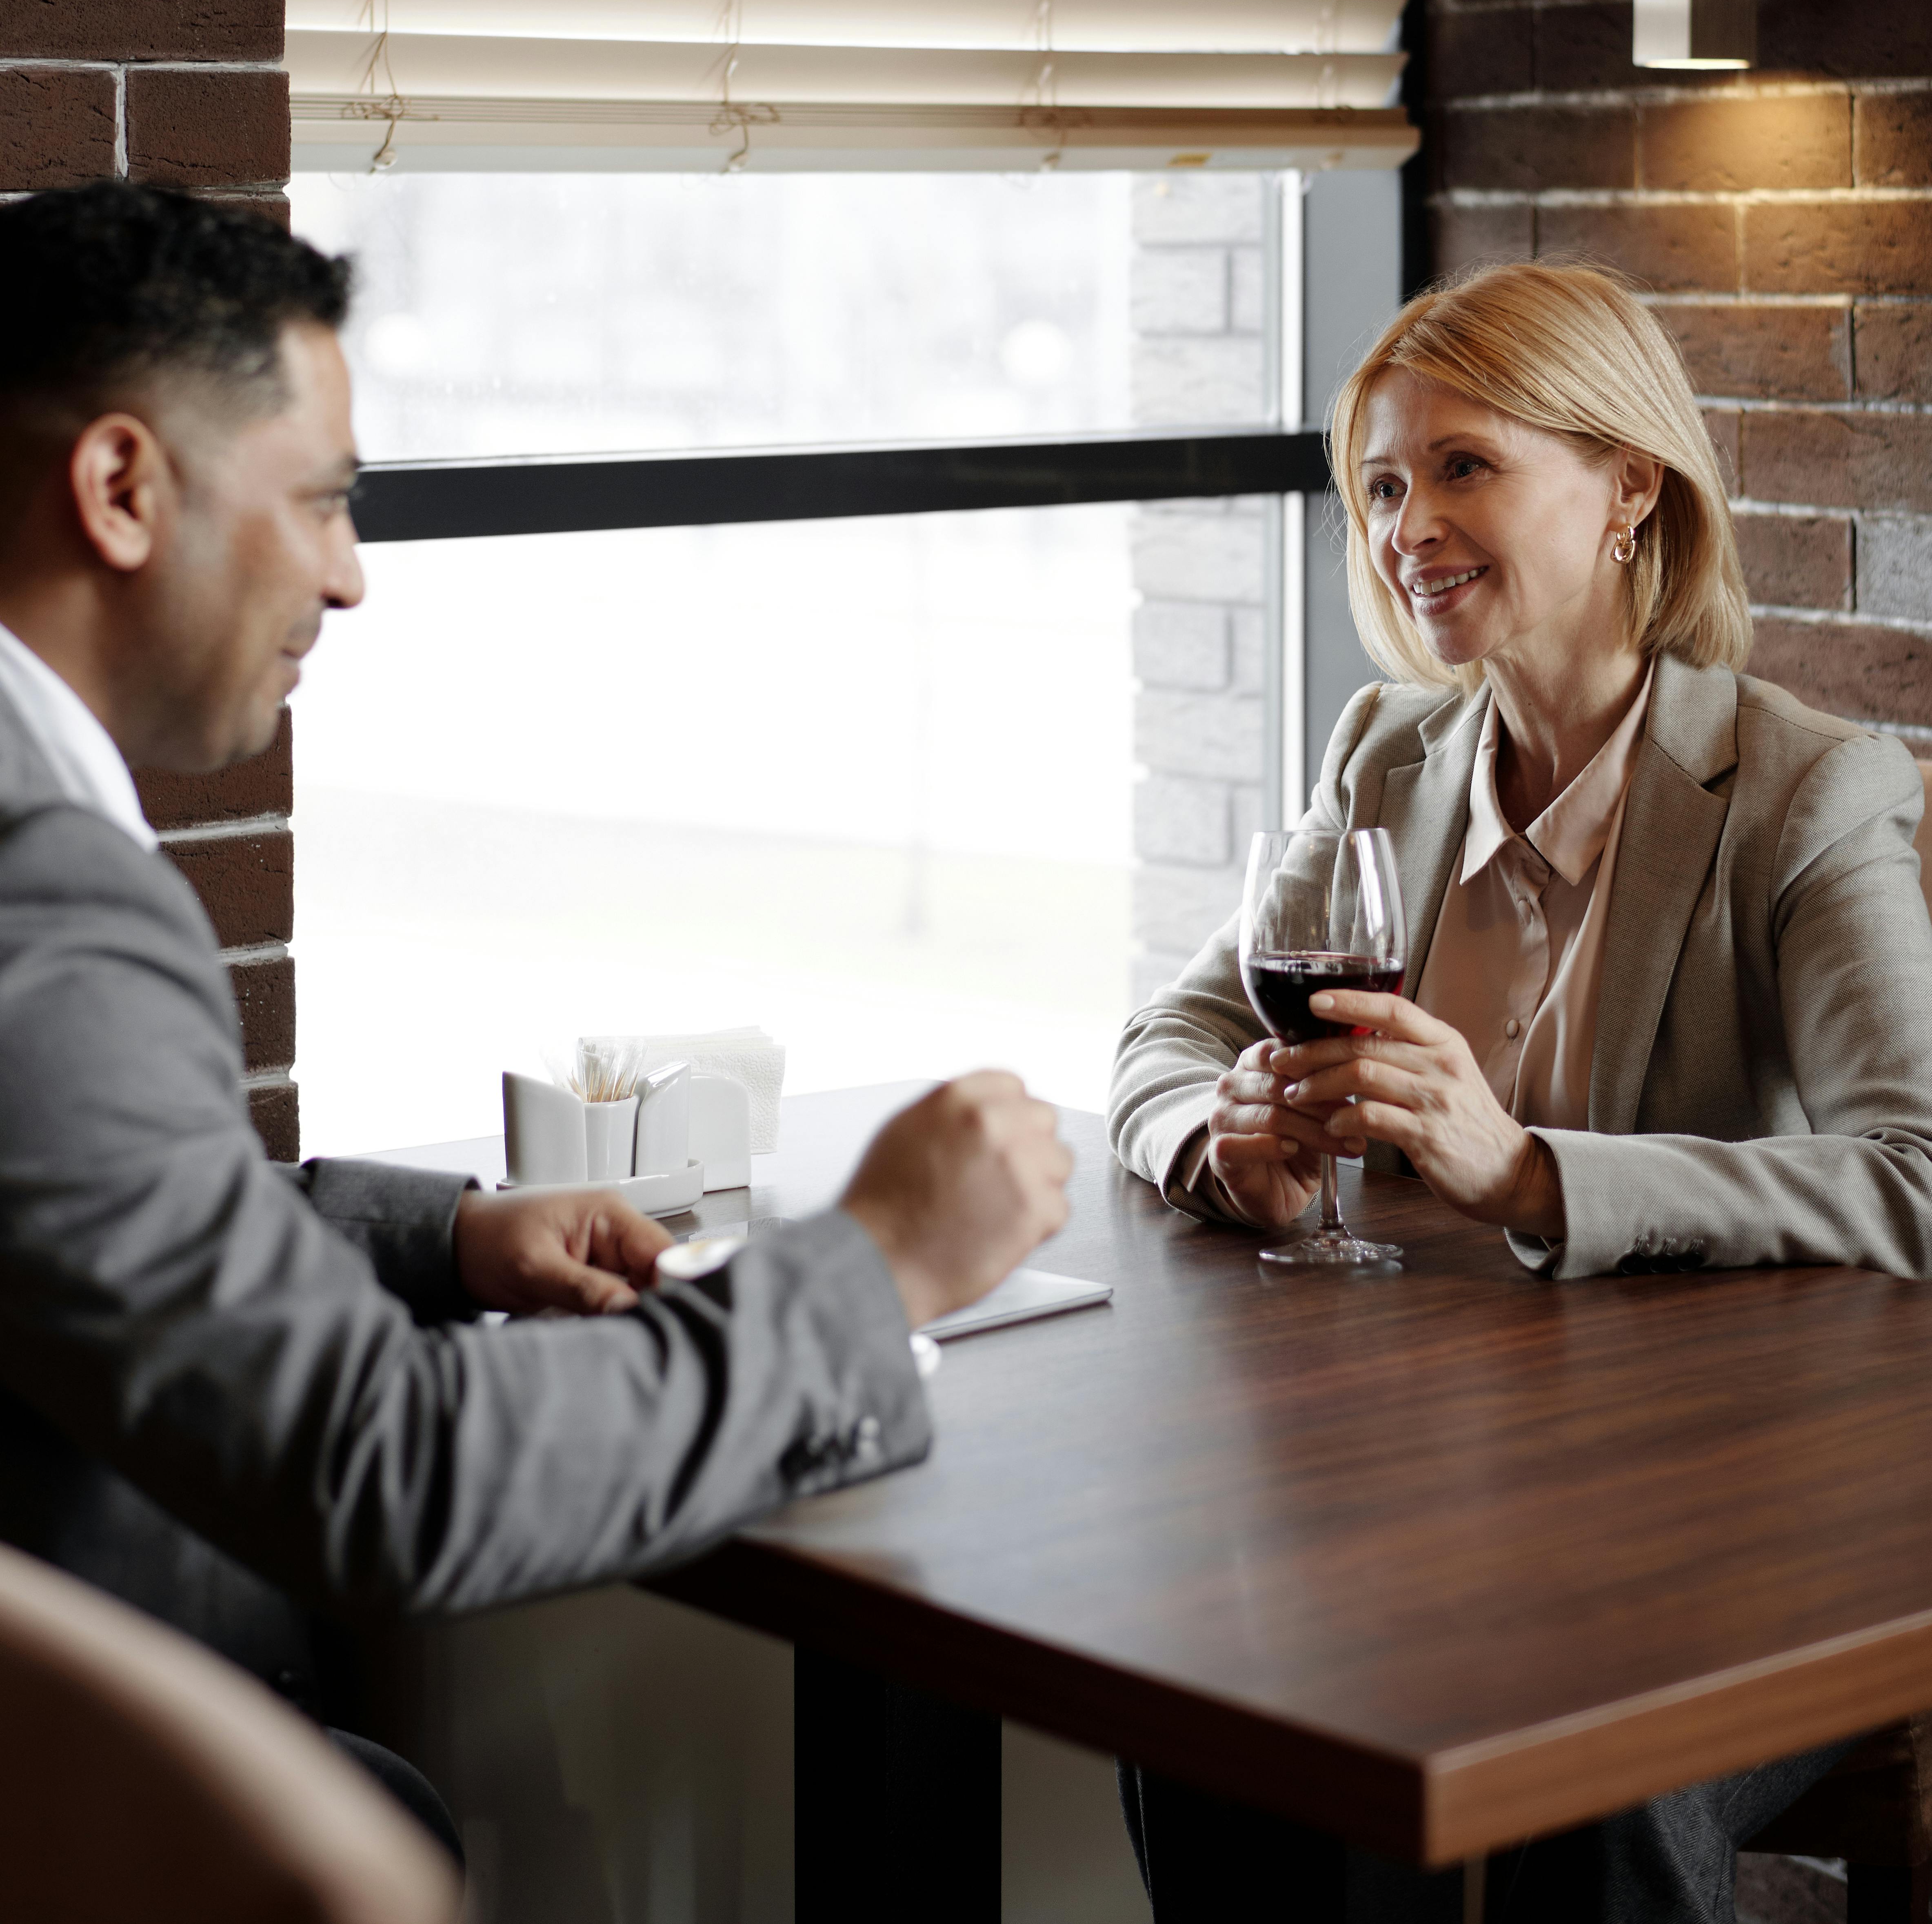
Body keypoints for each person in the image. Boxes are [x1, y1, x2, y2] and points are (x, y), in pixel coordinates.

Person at [0, 180, 1072, 1845]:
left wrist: (445, 1238)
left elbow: (77, 1205)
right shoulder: (41, 888)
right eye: (324, 502)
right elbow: (386, 1473)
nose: (351, 579)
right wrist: (875, 1265)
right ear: (123, 486)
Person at [1108, 255, 1932, 1924]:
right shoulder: (1380, 756)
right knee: (1212, 1695)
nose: (1407, 522)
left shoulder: (1800, 789)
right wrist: (1224, 1141)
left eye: (1462, 466)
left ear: (1629, 485)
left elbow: (1912, 1173)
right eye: (1383, 484)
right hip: (1430, 1500)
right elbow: (1160, 1043)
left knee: (1580, 1767)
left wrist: (1530, 1172)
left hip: (1738, 1526)